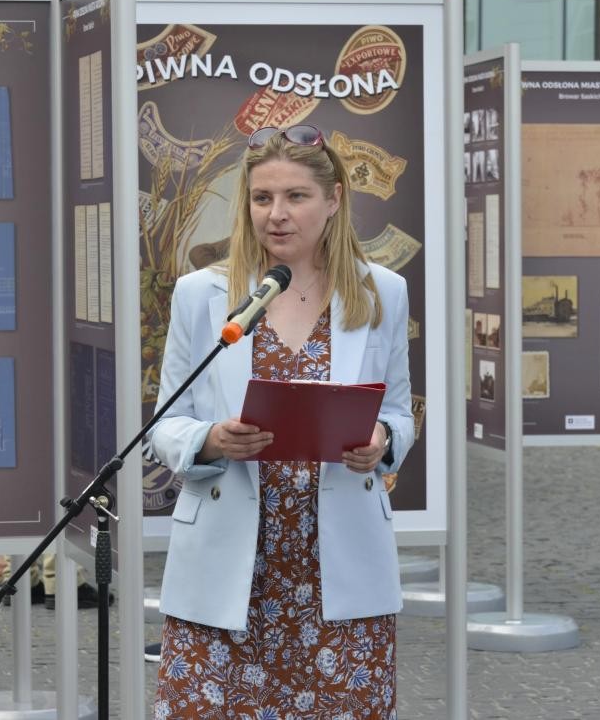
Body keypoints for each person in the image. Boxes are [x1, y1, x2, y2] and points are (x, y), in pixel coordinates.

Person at [147, 124, 413, 719]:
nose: (277, 214)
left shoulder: (382, 292)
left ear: (334, 199)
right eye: (262, 198)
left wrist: (383, 439)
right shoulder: (201, 293)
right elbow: (166, 421)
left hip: (338, 571)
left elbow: (398, 411)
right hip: (227, 569)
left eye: (296, 196)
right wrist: (210, 439)